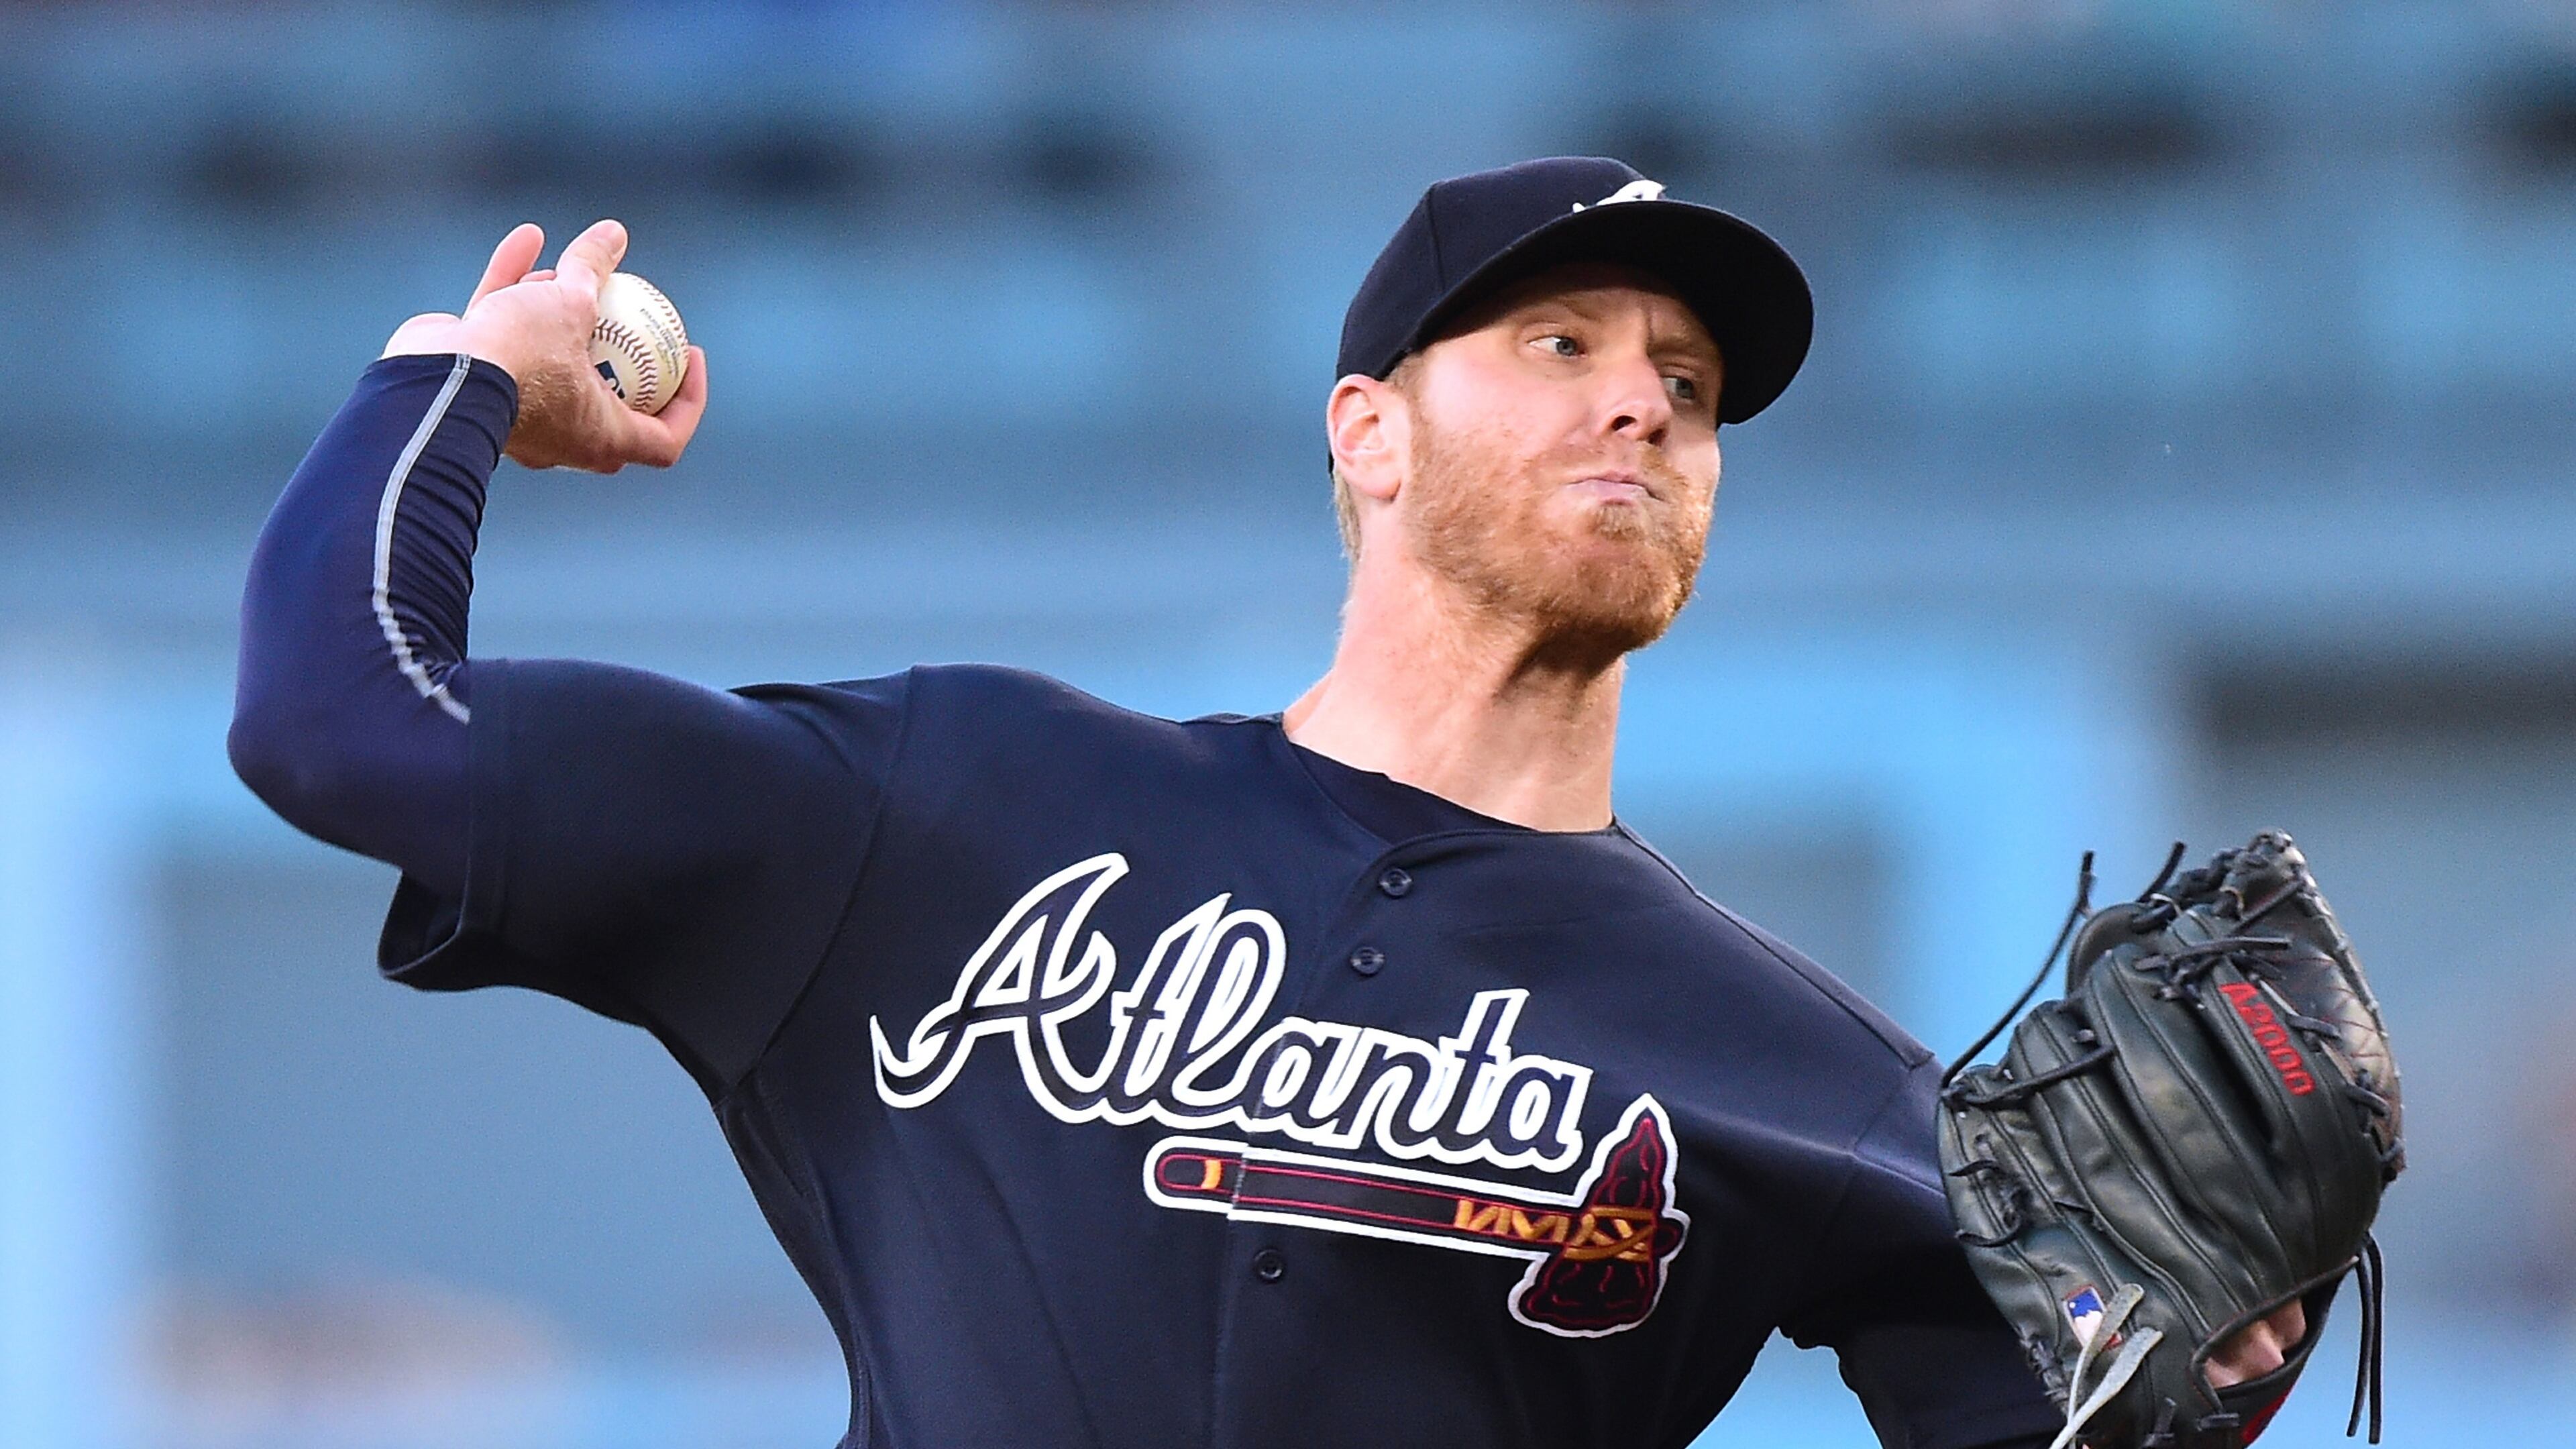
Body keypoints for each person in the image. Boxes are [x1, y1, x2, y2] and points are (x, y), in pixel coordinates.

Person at [229, 157, 2300, 1448]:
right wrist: (458, 375)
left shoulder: (1806, 1080)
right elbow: (341, 725)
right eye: (1565, 337)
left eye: (1688, 378)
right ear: (1369, 435)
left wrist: (2210, 1387)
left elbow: (2077, 1403)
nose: (1645, 399)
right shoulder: (955, 811)